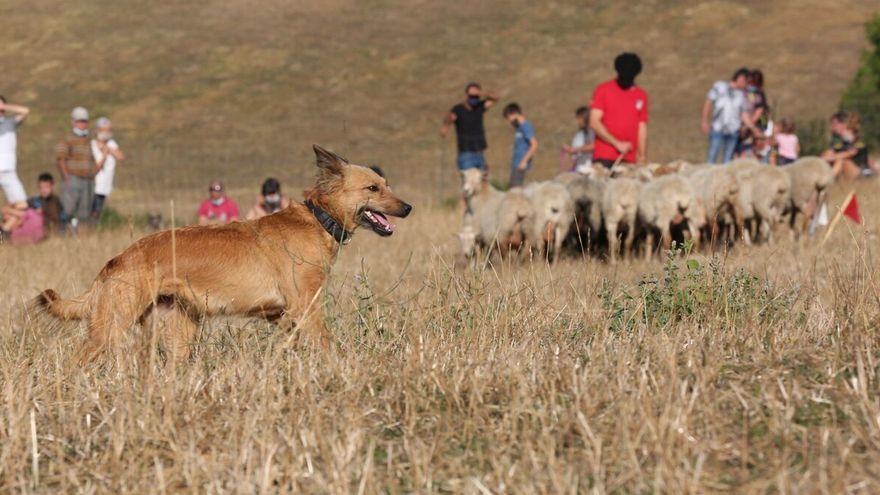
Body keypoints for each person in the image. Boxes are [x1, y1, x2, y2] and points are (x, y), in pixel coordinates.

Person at [589, 52, 649, 168]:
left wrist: (642, 156)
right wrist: (617, 144)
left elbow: (642, 127)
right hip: (604, 157)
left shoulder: (641, 95)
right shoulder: (603, 90)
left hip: (629, 159)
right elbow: (594, 122)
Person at [701, 68, 763, 164]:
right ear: (741, 78)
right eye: (746, 82)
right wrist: (704, 121)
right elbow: (708, 102)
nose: (746, 85)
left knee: (728, 162)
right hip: (717, 128)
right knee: (712, 158)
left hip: (733, 131)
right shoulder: (719, 86)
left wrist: (754, 129)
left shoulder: (742, 95)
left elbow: (744, 115)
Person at [56, 107, 103, 226]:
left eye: (84, 121)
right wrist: (66, 177)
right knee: (68, 208)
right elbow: (61, 158)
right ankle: (62, 232)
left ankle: (80, 235)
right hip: (73, 178)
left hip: (87, 180)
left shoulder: (89, 140)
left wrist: (93, 176)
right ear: (73, 122)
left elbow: (93, 159)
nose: (82, 124)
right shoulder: (67, 138)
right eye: (79, 121)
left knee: (84, 211)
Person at [440, 82, 499, 171]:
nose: (474, 99)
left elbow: (495, 98)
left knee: (481, 183)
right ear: (466, 96)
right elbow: (449, 119)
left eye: (476, 97)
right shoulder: (458, 109)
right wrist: (446, 126)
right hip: (466, 154)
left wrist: (480, 93)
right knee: (470, 183)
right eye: (471, 96)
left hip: (480, 153)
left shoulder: (480, 107)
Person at [90, 117, 125, 219]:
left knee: (98, 211)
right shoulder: (92, 144)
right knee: (93, 211)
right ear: (97, 130)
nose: (106, 133)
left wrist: (107, 148)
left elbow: (121, 156)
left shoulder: (111, 143)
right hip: (95, 184)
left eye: (109, 130)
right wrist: (105, 154)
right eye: (103, 130)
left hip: (105, 184)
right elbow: (96, 166)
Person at [823, 112, 873, 179]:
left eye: (834, 124)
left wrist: (828, 158)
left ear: (843, 124)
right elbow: (827, 154)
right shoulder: (837, 141)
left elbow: (849, 153)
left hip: (862, 173)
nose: (831, 127)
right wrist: (824, 158)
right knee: (831, 160)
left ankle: (827, 180)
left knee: (842, 161)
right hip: (850, 172)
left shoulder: (856, 138)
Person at [0, 96, 30, 205]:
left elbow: (25, 111)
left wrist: (4, 106)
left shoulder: (10, 122)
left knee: (22, 204)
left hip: (8, 171)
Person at [738, 69, 771, 161]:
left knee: (756, 147)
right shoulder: (757, 92)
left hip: (754, 124)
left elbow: (761, 112)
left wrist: (749, 125)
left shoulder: (754, 93)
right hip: (755, 124)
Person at [502, 103, 537, 188]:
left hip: (521, 165)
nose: (509, 121)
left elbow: (534, 145)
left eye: (508, 118)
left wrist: (524, 161)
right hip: (516, 164)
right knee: (512, 189)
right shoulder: (519, 128)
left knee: (515, 192)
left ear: (514, 114)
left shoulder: (526, 126)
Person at [562, 106, 595, 173]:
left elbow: (593, 145)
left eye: (578, 118)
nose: (577, 121)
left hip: (587, 164)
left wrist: (575, 149)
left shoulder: (590, 131)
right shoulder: (580, 132)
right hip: (579, 164)